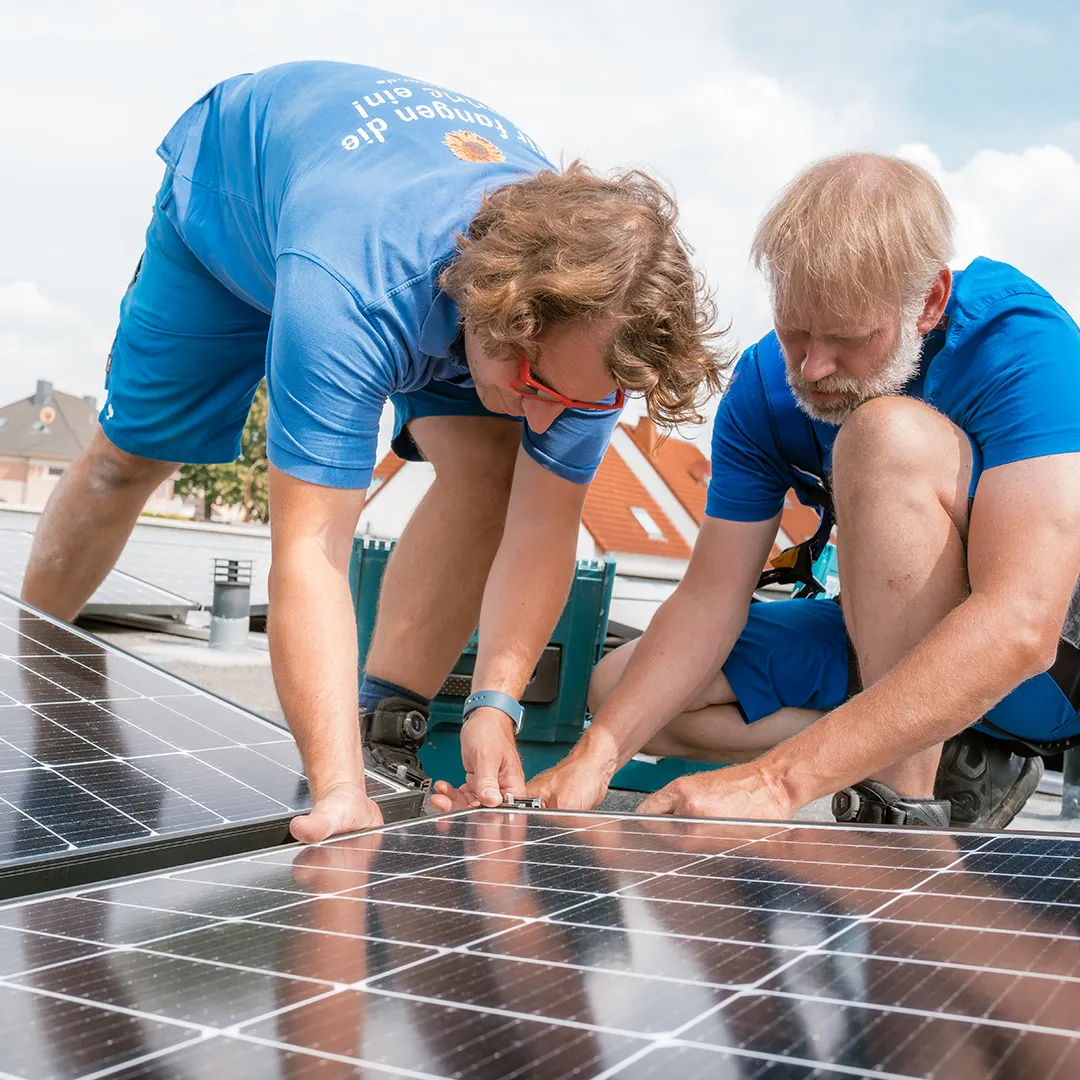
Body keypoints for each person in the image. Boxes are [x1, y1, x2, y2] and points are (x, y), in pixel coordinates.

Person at [21, 61, 724, 841]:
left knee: (494, 468)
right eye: (534, 384)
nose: (549, 412)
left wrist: (495, 697)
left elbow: (541, 528)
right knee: (129, 460)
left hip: (419, 257)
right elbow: (313, 546)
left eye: (574, 398)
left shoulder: (589, 346)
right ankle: (24, 682)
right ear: (500, 310)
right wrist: (333, 791)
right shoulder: (353, 286)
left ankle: (381, 727)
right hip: (236, 206)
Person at [529, 151, 1080, 829]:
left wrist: (779, 781)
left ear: (930, 303)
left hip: (1049, 671)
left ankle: (898, 805)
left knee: (884, 436)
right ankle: (956, 749)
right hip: (892, 647)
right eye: (795, 330)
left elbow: (1026, 622)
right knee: (621, 694)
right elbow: (709, 597)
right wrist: (597, 756)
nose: (814, 367)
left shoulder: (1018, 342)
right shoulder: (766, 387)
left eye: (850, 338)